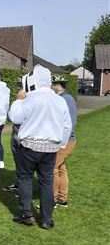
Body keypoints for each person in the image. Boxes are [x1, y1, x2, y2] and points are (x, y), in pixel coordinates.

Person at [8, 66, 72, 229]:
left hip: (29, 145)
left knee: (25, 178)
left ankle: (26, 214)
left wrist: (18, 100)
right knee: (46, 181)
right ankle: (46, 219)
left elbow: (14, 117)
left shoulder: (30, 98)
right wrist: (61, 144)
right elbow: (67, 126)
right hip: (51, 147)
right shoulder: (60, 100)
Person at [51, 75, 77, 207]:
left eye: (52, 84)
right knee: (61, 168)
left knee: (52, 168)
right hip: (64, 139)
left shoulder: (66, 99)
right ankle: (62, 198)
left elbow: (71, 123)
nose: (50, 87)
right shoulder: (62, 98)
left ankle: (53, 199)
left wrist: (62, 141)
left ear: (57, 85)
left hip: (65, 140)